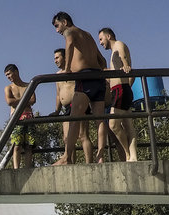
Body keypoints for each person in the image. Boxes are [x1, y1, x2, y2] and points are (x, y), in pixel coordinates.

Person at [52, 12, 108, 164]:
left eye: (57, 26)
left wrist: (68, 69)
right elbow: (102, 60)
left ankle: (66, 157)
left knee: (74, 119)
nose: (57, 31)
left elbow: (69, 44)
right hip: (98, 77)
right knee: (100, 120)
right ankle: (100, 156)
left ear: (64, 22)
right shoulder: (88, 35)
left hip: (85, 78)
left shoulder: (70, 31)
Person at [98, 27, 138, 162]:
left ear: (108, 36)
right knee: (128, 125)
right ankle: (133, 156)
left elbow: (122, 55)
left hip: (121, 89)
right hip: (121, 90)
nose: (100, 42)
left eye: (101, 39)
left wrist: (125, 65)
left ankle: (127, 153)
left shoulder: (118, 44)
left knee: (113, 125)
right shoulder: (111, 52)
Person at [53, 48, 92, 163]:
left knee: (82, 135)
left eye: (57, 57)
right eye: (54, 58)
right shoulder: (57, 75)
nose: (55, 60)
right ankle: (70, 163)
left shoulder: (74, 70)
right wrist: (56, 111)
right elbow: (58, 94)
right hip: (66, 109)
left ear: (65, 57)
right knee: (67, 138)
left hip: (78, 104)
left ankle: (89, 163)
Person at [4, 64, 37, 169]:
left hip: (29, 117)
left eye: (9, 74)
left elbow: (33, 100)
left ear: (16, 71)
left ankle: (27, 168)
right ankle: (16, 169)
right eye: (6, 75)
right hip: (16, 118)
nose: (8, 77)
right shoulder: (8, 88)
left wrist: (18, 102)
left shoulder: (28, 86)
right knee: (16, 145)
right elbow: (9, 101)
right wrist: (24, 100)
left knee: (29, 145)